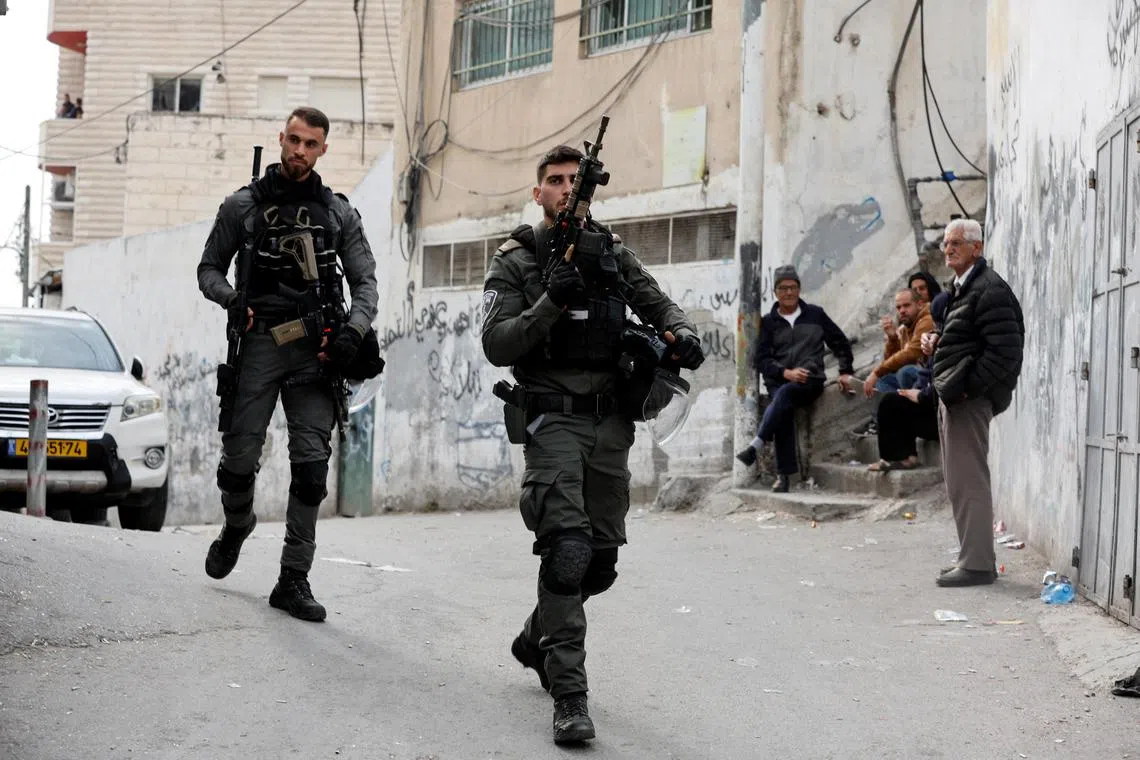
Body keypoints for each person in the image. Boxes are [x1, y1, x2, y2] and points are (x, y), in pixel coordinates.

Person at [481, 144, 705, 744]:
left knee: (599, 564)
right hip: (551, 421)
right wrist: (552, 298)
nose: (564, 189)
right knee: (568, 552)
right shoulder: (517, 259)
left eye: (573, 181)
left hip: (611, 425)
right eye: (553, 181)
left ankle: (537, 638)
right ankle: (570, 696)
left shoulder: (611, 252)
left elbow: (657, 302)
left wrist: (680, 334)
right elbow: (498, 344)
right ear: (538, 193)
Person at [196, 107, 379, 620]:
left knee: (312, 467)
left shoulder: (338, 212)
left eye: (311, 144)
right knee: (237, 461)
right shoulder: (243, 207)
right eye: (293, 140)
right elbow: (208, 268)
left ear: (324, 149)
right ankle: (237, 525)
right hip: (257, 342)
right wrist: (231, 298)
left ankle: (293, 578)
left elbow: (366, 282)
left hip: (317, 350)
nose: (300, 151)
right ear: (280, 139)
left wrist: (351, 333)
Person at [930, 218, 1024, 588]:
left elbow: (1005, 352)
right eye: (945, 243)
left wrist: (970, 389)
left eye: (957, 243)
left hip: (967, 398)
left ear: (977, 248)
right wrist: (937, 343)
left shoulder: (989, 289)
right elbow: (965, 339)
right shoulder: (963, 287)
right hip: (954, 395)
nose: (949, 249)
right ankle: (971, 555)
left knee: (969, 480)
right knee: (958, 480)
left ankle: (978, 564)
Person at [735, 265, 855, 492]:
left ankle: (762, 450)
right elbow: (761, 360)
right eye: (783, 288)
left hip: (810, 380)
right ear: (775, 292)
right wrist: (785, 373)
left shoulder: (816, 315)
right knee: (783, 404)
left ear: (799, 289)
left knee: (784, 396)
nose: (788, 292)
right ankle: (784, 478)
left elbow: (840, 342)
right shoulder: (768, 323)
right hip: (780, 381)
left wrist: (845, 371)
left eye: (793, 287)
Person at [868, 291, 948, 472]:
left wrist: (921, 394)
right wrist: (893, 339)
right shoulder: (906, 328)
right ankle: (903, 456)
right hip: (929, 398)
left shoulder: (929, 324)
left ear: (920, 305)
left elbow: (912, 355)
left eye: (906, 306)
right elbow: (895, 361)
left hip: (945, 413)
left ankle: (900, 455)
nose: (902, 311)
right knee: (889, 393)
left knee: (903, 378)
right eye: (898, 307)